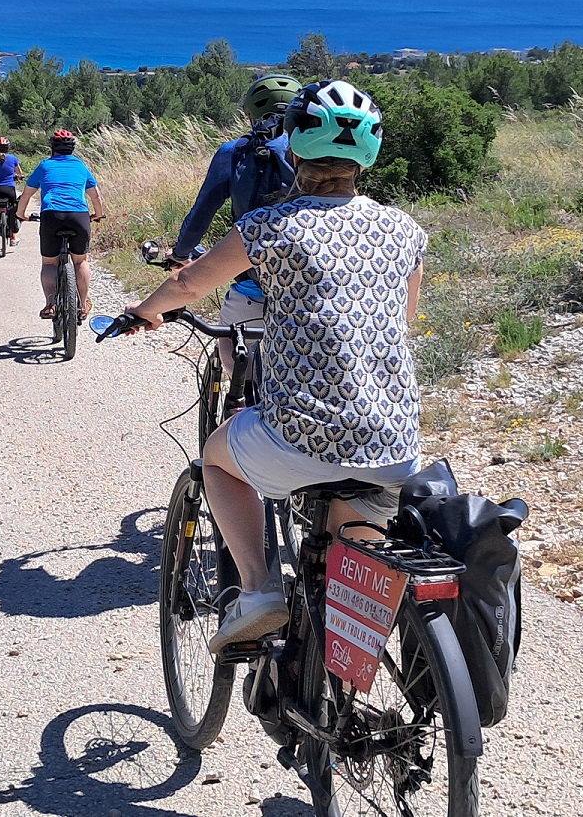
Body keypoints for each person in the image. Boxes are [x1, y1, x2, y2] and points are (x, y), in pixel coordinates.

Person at [124, 81, 425, 651]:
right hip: (394, 443)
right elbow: (406, 312)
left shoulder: (270, 226)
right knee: (349, 583)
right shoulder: (405, 230)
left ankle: (260, 591)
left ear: (297, 147)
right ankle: (341, 703)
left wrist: (144, 312)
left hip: (303, 436)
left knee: (216, 460)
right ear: (370, 153)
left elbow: (189, 283)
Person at [170, 74, 301, 374]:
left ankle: (238, 403)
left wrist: (180, 253)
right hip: (303, 293)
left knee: (232, 357)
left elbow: (202, 212)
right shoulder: (310, 155)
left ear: (250, 113)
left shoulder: (234, 152)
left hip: (251, 287)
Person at [17, 130, 107, 320]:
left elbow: (27, 194)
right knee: (80, 261)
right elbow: (95, 195)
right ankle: (82, 304)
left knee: (49, 262)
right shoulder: (81, 166)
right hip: (78, 216)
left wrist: (21, 214)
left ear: (52, 147)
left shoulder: (45, 165)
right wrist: (98, 214)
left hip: (52, 215)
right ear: (72, 148)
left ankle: (51, 304)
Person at [0, 137, 23, 235]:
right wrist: (19, 177)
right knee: (13, 208)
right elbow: (19, 173)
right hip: (9, 190)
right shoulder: (13, 158)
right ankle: (13, 235)